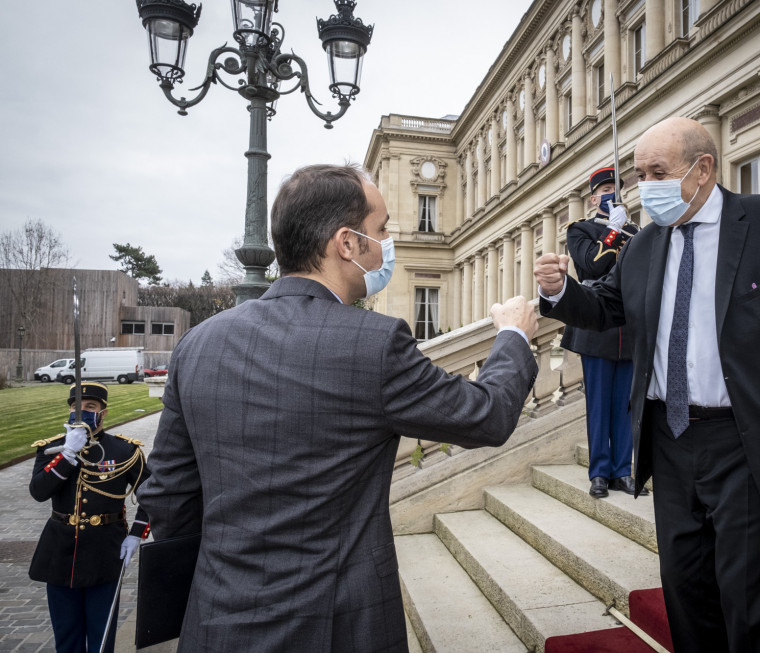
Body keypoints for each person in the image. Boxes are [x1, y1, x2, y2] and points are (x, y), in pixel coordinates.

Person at [137, 164, 539, 652]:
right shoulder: (374, 344)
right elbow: (487, 414)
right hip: (338, 628)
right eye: (383, 229)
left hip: (217, 622)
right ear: (347, 243)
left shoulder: (198, 344)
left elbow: (168, 497)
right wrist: (514, 336)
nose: (389, 242)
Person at [534, 117, 760, 652]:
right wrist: (560, 292)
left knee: (753, 611)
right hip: (671, 446)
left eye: (657, 172)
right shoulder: (645, 244)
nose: (645, 187)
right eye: (639, 175)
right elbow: (607, 308)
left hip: (749, 443)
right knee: (687, 600)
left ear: (703, 169)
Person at [29, 381, 151, 653]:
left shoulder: (125, 451)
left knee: (101, 636)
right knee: (67, 636)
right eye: (77, 407)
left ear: (103, 413)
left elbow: (153, 495)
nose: (82, 412)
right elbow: (38, 491)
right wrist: (68, 454)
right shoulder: (52, 449)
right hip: (59, 553)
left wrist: (136, 534)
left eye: (90, 407)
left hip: (104, 552)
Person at [562, 166, 646, 499]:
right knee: (598, 404)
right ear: (594, 196)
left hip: (629, 326)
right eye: (606, 189)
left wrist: (627, 231)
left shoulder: (636, 231)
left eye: (616, 188)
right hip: (596, 326)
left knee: (625, 405)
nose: (612, 193)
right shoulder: (580, 230)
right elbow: (590, 267)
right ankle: (599, 472)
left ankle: (622, 471)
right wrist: (611, 234)